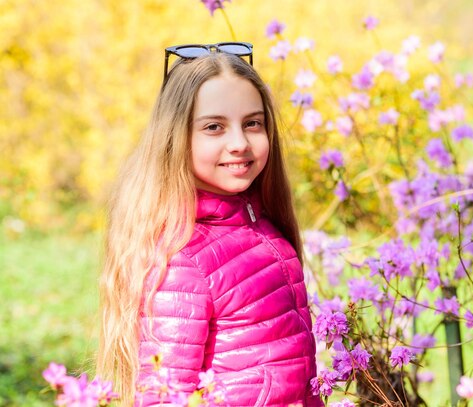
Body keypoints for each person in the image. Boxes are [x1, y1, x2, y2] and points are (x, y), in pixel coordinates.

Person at [97, 43, 322, 406]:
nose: (239, 143)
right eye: (214, 127)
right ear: (176, 138)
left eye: (253, 123)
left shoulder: (261, 225)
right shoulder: (182, 259)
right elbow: (163, 396)